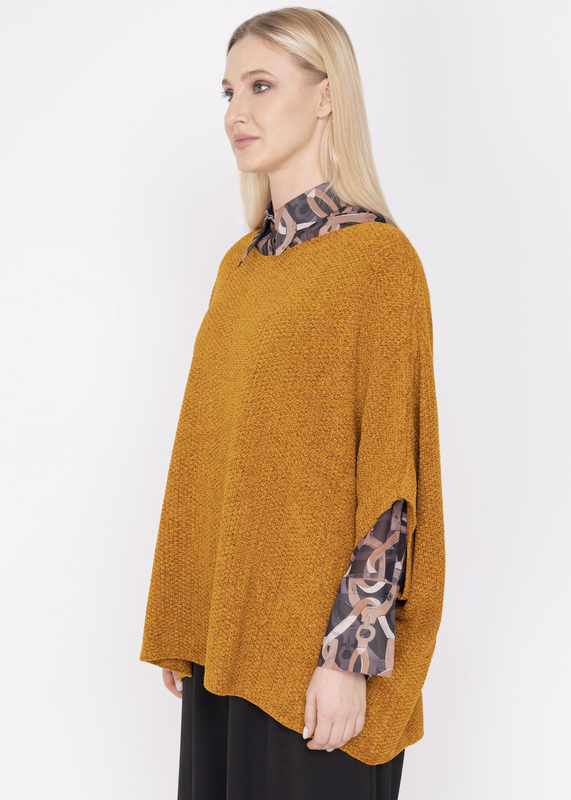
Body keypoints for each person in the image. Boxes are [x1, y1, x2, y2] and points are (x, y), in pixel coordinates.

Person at [139, 8, 445, 799]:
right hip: (225, 649)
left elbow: (392, 481)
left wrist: (349, 659)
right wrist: (190, 616)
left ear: (325, 96)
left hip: (316, 670)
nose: (236, 113)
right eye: (228, 91)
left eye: (261, 86)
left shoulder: (379, 262)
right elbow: (212, 460)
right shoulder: (239, 268)